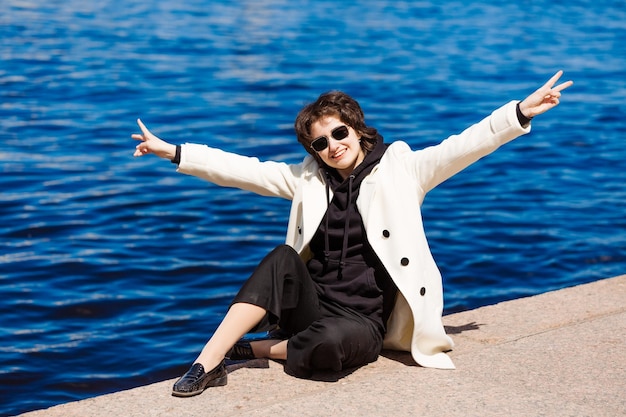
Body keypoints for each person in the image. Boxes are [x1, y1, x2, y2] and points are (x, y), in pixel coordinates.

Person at [132, 71, 573, 397]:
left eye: (338, 133)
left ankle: (262, 350)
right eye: (319, 143)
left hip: (362, 321)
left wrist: (517, 114)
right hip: (312, 303)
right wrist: (174, 151)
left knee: (328, 352)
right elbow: (244, 170)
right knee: (281, 257)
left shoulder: (403, 168)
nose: (332, 146)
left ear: (356, 129)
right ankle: (208, 362)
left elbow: (464, 144)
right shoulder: (307, 179)